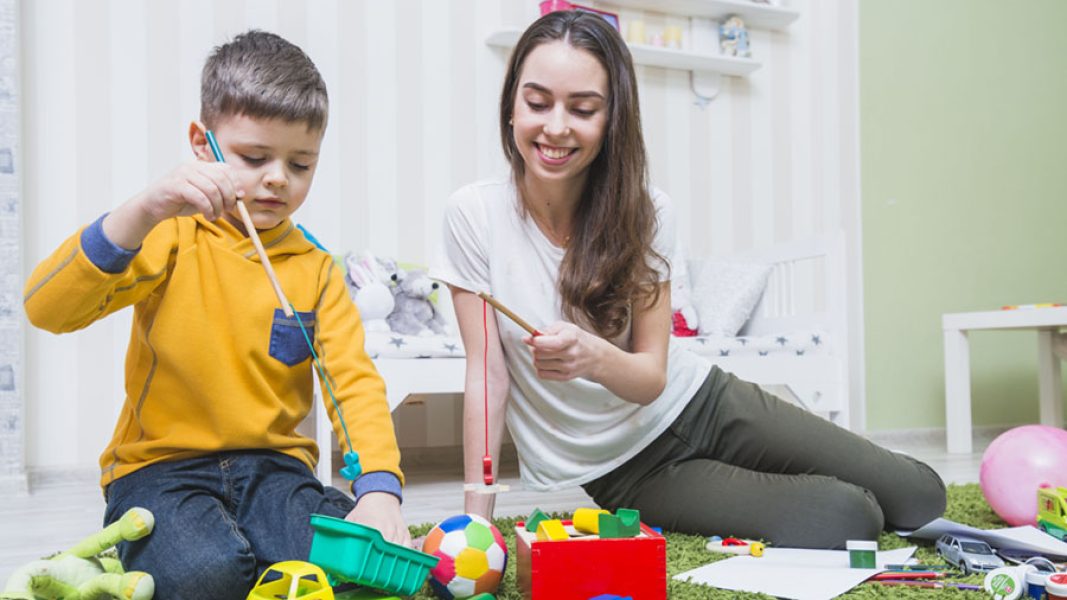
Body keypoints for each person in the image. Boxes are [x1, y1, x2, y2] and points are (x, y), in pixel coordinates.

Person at [431, 11, 946, 549]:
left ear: (611, 119)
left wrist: (592, 357)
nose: (556, 127)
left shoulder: (647, 212)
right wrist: (479, 520)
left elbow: (652, 376)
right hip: (629, 471)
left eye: (582, 109)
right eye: (537, 103)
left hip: (703, 402)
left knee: (917, 495)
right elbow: (487, 375)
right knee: (847, 515)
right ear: (511, 104)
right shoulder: (474, 215)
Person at [23, 30, 409, 598]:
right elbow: (46, 308)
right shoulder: (168, 236)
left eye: (300, 163)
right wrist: (144, 210)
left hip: (275, 472)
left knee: (349, 561)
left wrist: (379, 490)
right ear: (202, 145)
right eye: (255, 158)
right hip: (160, 471)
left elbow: (354, 386)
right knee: (210, 572)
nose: (278, 177)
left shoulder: (317, 270)